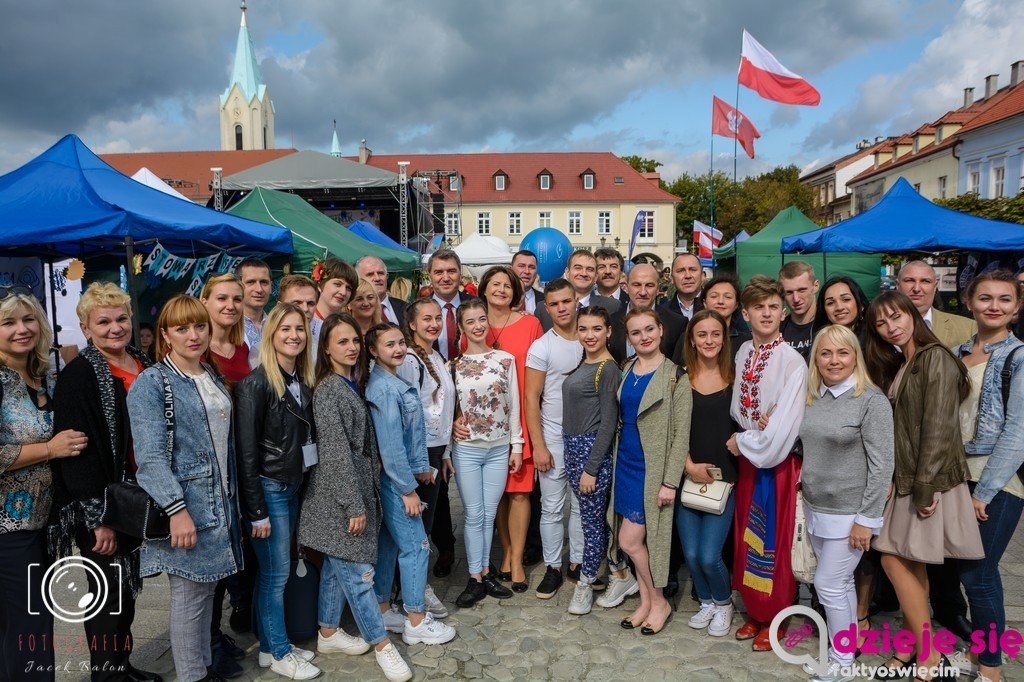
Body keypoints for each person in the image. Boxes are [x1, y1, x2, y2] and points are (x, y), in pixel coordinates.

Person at [864, 291, 984, 679]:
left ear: (913, 314)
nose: (891, 327)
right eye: (881, 324)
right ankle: (912, 647)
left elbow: (937, 427)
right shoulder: (907, 361)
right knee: (911, 565)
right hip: (910, 479)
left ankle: (929, 653)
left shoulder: (935, 358)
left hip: (926, 481)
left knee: (892, 558)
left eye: (896, 317)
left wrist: (924, 488)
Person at [127, 295, 242, 682]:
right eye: (182, 328)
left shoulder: (208, 374)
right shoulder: (152, 382)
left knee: (205, 595)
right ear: (165, 335)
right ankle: (193, 675)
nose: (193, 335)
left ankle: (202, 670)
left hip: (219, 503)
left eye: (199, 326)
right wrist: (176, 510)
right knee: (190, 599)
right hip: (188, 506)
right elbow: (150, 457)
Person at [51, 282, 162, 682]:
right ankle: (106, 674)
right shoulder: (78, 376)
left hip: (139, 497)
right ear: (86, 328)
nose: (115, 328)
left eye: (121, 319)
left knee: (127, 590)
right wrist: (98, 518)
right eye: (104, 322)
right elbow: (76, 455)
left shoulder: (144, 363)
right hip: (101, 504)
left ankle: (122, 666)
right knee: (106, 597)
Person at [298, 313, 413, 682]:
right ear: (326, 347)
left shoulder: (351, 383)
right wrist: (353, 505)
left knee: (337, 567)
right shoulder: (329, 389)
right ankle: (382, 645)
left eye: (353, 341)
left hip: (354, 492)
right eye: (341, 341)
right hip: (337, 500)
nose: (350, 347)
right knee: (359, 576)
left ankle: (328, 632)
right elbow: (335, 453)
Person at [799, 325, 894, 681]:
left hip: (850, 513)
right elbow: (808, 444)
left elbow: (883, 464)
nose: (834, 360)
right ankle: (845, 648)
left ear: (855, 356)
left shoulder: (871, 400)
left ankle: (843, 660)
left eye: (842, 353)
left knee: (828, 585)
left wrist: (866, 520)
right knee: (840, 585)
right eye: (826, 353)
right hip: (815, 508)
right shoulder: (813, 396)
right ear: (816, 359)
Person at [0, 290, 84, 681]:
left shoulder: (42, 375)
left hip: (43, 523)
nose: (22, 329)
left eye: (28, 320)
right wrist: (49, 448)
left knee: (31, 624)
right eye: (9, 323)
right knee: (28, 628)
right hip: (8, 529)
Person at [234, 303, 320, 679]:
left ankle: (270, 647)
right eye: (285, 329)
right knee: (274, 575)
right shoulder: (256, 383)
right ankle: (282, 654)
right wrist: (256, 511)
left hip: (291, 486)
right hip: (269, 490)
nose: (293, 336)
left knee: (274, 573)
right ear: (271, 335)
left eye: (299, 329)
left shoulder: (300, 379)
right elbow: (246, 453)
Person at [726, 275, 807, 652]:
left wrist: (746, 438)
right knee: (748, 538)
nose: (767, 313)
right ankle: (755, 613)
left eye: (774, 307)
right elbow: (741, 410)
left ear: (783, 311)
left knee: (773, 541)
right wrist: (753, 426)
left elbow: (782, 431)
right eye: (759, 307)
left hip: (775, 465)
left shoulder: (792, 361)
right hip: (749, 462)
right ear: (745, 313)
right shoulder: (742, 352)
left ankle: (777, 616)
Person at [364, 324, 456, 646]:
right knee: (417, 546)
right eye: (389, 344)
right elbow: (390, 448)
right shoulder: (386, 389)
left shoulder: (396, 380)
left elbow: (407, 437)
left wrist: (422, 468)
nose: (399, 349)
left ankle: (383, 608)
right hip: (394, 483)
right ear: (374, 351)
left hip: (401, 477)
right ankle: (416, 619)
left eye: (401, 342)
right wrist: (407, 489)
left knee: (390, 544)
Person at [954, 271, 1024, 682]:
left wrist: (985, 491)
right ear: (969, 301)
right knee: (971, 570)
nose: (993, 306)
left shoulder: (1018, 357)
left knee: (978, 573)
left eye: (1003, 299)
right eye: (985, 298)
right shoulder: (958, 352)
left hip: (995, 482)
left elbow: (1017, 431)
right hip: (957, 476)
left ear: (1016, 308)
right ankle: (982, 651)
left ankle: (992, 668)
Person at [608, 307, 690, 636]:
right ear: (628, 338)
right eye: (636, 332)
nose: (644, 337)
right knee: (630, 542)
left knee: (633, 541)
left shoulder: (676, 377)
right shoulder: (627, 369)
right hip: (625, 463)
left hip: (652, 470)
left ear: (660, 331)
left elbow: (681, 436)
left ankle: (659, 602)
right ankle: (645, 601)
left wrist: (670, 482)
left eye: (649, 330)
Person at [562, 305, 634, 615]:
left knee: (591, 524)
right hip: (573, 449)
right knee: (590, 520)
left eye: (596, 329)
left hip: (591, 452)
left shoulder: (608, 369)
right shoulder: (585, 363)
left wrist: (591, 469)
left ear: (608, 332)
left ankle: (586, 583)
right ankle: (620, 573)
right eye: (584, 329)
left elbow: (608, 423)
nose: (589, 335)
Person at [476, 266, 543, 592]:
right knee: (496, 493)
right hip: (487, 424)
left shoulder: (531, 324)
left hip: (520, 419)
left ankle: (517, 558)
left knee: (519, 491)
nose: (501, 289)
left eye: (507, 285)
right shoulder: (473, 323)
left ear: (516, 291)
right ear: (484, 289)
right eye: (495, 284)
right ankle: (504, 552)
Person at [449, 300, 520, 608]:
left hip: (499, 447)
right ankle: (474, 577)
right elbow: (445, 408)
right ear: (461, 328)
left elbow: (514, 404)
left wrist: (516, 445)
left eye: (481, 319)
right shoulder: (453, 366)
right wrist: (452, 423)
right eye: (470, 322)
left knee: (489, 515)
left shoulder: (506, 359)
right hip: (467, 450)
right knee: (474, 514)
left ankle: (486, 572)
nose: (477, 326)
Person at [676, 310, 739, 639]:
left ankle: (724, 602)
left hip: (724, 479)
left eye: (715, 334)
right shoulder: (681, 379)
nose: (709, 340)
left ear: (724, 338)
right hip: (689, 475)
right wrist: (687, 465)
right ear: (692, 339)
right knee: (690, 552)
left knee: (709, 553)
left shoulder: (736, 377)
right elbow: (673, 430)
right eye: (702, 334)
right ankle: (707, 602)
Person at [525, 279, 587, 600]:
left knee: (580, 505)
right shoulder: (542, 347)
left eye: (567, 301)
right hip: (552, 438)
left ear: (576, 300)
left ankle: (577, 562)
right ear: (546, 308)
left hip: (584, 438)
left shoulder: (591, 338)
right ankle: (552, 567)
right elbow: (531, 397)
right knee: (551, 508)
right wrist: (539, 445)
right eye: (555, 304)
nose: (562, 308)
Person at [396, 298, 457, 617]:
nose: (433, 324)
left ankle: (414, 587)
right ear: (412, 324)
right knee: (416, 527)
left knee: (425, 523)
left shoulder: (435, 354)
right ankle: (413, 591)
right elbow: (408, 414)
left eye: (437, 318)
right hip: (419, 452)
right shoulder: (408, 359)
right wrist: (420, 461)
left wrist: (445, 453)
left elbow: (442, 411)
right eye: (426, 319)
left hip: (435, 450)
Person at [611, 264, 685, 362]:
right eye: (636, 285)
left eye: (649, 285)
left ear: (658, 289)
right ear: (626, 286)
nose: (642, 292)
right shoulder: (611, 321)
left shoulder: (677, 324)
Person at [674, 275, 751, 366]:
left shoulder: (746, 342)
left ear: (736, 305)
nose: (721, 301)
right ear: (705, 303)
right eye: (714, 296)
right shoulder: (687, 338)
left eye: (728, 297)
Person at [897, 260, 976, 348]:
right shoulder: (880, 327)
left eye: (925, 281)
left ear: (935, 287)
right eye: (909, 280)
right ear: (897, 285)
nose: (916, 288)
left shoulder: (969, 328)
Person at [200, 274, 251, 389]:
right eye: (222, 298)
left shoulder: (243, 348)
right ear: (205, 302)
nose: (231, 306)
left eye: (237, 299)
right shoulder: (193, 347)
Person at [427, 250, 475, 363]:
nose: (446, 278)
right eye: (439, 272)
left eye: (451, 271)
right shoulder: (417, 310)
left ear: (460, 274)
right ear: (430, 277)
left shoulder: (477, 305)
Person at [312, 257, 360, 348]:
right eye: (337, 284)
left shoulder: (349, 325)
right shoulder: (306, 321)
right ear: (320, 285)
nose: (343, 292)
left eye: (348, 288)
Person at [779, 261, 820, 363]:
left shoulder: (829, 325)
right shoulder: (777, 330)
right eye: (789, 292)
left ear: (815, 286)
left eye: (802, 290)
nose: (796, 299)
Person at [236, 257, 273, 363]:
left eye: (264, 282)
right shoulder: (229, 325)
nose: (259, 289)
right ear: (238, 286)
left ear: (271, 286)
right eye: (251, 282)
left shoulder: (277, 324)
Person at [815, 276, 870, 345]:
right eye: (830, 303)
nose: (839, 307)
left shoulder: (875, 337)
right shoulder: (819, 342)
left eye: (846, 299)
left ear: (861, 305)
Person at [564, 249, 620, 313]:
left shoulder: (612, 306)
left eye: (589, 269)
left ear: (596, 276)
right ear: (567, 272)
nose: (584, 273)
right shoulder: (552, 305)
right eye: (578, 268)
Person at [357, 256, 406, 326]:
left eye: (380, 273)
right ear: (359, 279)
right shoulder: (352, 312)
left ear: (387, 276)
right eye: (370, 274)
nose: (377, 278)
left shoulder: (405, 308)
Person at [278, 274, 320, 357]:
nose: (305, 309)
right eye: (297, 303)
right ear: (279, 307)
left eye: (310, 303)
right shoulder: (261, 349)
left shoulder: (323, 343)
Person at [660, 252, 704, 321]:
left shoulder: (716, 308)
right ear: (672, 278)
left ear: (701, 275)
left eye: (692, 270)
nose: (688, 276)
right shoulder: (661, 314)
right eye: (681, 271)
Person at [510, 250, 543, 320]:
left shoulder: (545, 299)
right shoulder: (500, 298)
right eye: (522, 266)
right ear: (511, 269)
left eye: (531, 267)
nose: (527, 271)